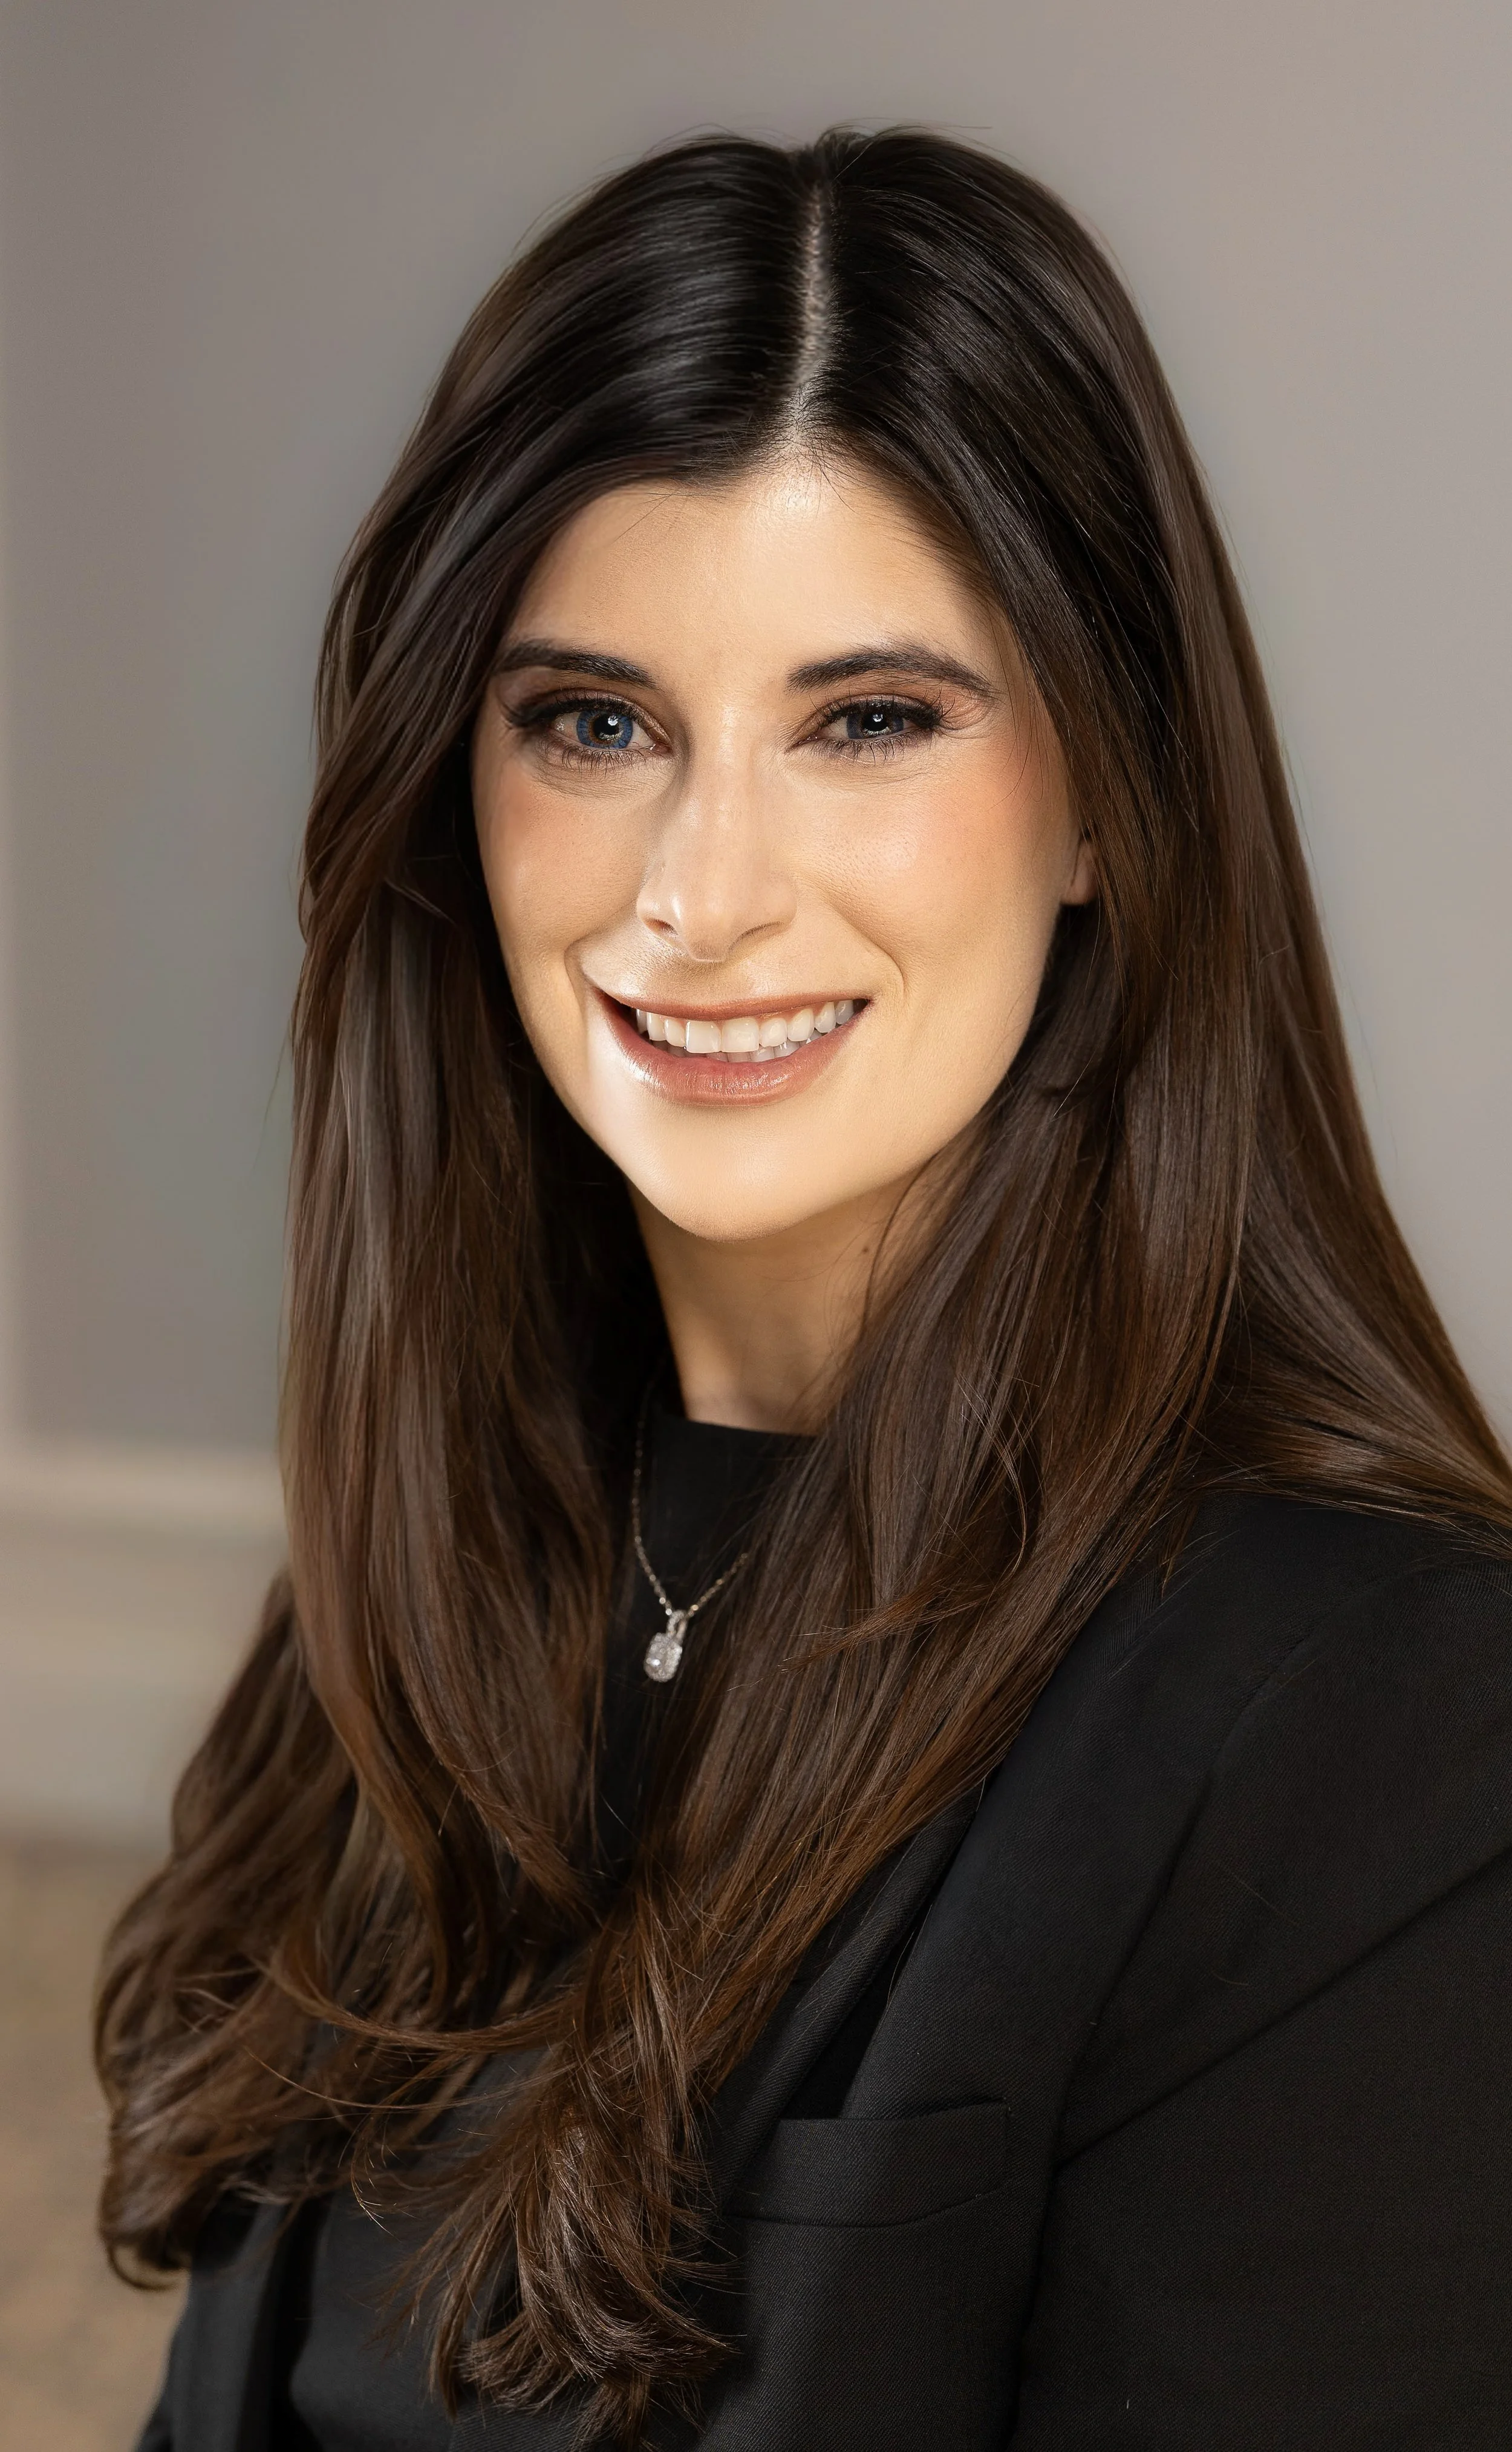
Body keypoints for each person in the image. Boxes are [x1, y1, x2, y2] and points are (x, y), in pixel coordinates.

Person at [99, 126, 1512, 2451]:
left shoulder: (1382, 1717)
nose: (703, 892)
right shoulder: (426, 1578)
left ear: (1109, 797)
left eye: (866, 720)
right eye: (595, 723)